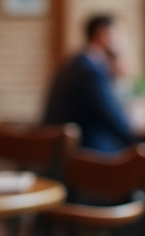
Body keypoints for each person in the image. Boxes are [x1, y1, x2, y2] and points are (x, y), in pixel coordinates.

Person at [42, 14, 134, 153]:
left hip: (63, 152)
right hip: (85, 156)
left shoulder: (76, 64)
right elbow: (119, 124)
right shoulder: (90, 72)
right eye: (118, 33)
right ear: (103, 34)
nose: (121, 40)